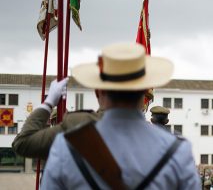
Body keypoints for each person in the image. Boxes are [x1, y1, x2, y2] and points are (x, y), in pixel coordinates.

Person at [41, 43, 200, 189]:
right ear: (145, 91)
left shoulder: (66, 148)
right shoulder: (178, 151)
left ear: (98, 91)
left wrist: (48, 103)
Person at [12, 78, 103, 159]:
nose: (55, 121)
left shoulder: (78, 124)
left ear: (97, 92)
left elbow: (22, 143)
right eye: (53, 120)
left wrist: (48, 103)